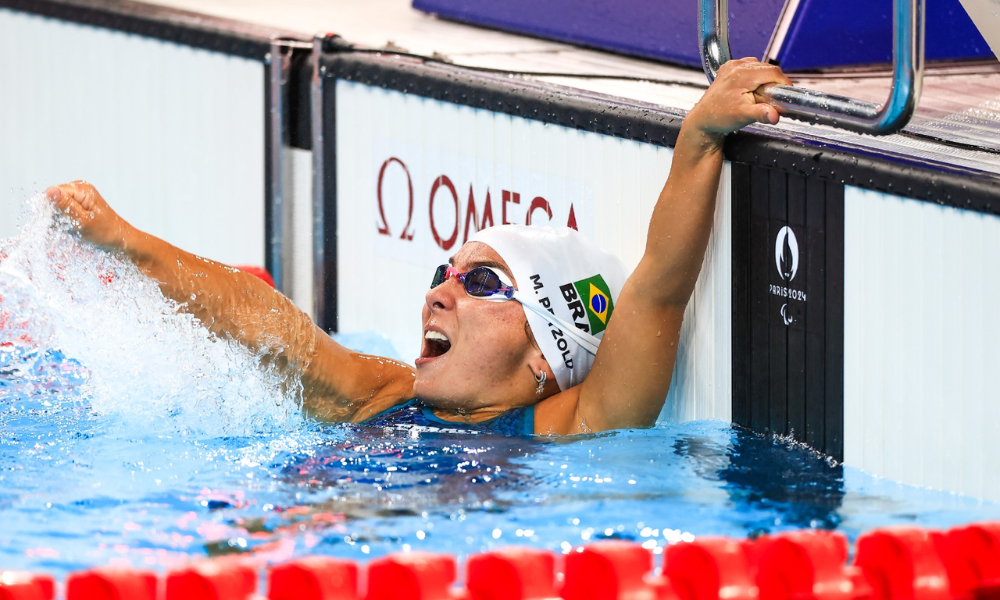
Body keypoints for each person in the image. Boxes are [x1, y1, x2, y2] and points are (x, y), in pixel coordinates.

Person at [46, 58, 791, 436]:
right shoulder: (387, 393)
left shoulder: (573, 427)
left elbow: (659, 287)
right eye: (446, 273)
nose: (440, 291)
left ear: (547, 355)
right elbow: (271, 328)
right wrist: (125, 242)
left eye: (484, 284)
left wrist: (699, 134)